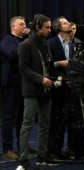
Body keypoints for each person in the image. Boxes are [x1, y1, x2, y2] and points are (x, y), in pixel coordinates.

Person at [16, 14, 56, 169]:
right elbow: (23, 69)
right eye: (46, 27)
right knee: (27, 125)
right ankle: (23, 161)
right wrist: (41, 79)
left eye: (50, 27)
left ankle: (42, 157)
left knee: (45, 124)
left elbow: (49, 66)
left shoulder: (45, 44)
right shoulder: (25, 45)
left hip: (46, 91)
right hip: (32, 91)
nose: (49, 30)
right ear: (38, 27)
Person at [0, 16, 30, 160]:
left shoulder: (22, 41)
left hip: (23, 85)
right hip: (11, 85)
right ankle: (7, 148)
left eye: (25, 24)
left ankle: (22, 146)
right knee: (9, 118)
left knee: (22, 119)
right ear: (13, 27)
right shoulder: (7, 40)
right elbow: (12, 54)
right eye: (21, 24)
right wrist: (27, 42)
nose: (25, 26)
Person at [47, 16, 75, 159]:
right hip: (57, 85)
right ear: (58, 27)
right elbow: (47, 64)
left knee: (69, 119)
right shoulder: (51, 43)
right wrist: (59, 63)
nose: (68, 24)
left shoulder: (71, 44)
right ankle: (53, 150)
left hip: (70, 86)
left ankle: (66, 148)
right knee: (56, 120)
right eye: (65, 23)